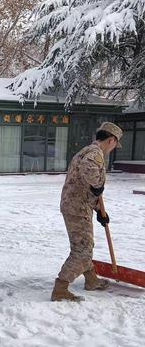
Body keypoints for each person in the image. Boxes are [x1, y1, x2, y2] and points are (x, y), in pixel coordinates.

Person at [51, 122, 123, 301]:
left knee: (84, 246)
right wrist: (98, 185)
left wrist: (100, 210)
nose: (114, 148)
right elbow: (89, 172)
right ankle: (60, 288)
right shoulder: (95, 153)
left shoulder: (88, 150)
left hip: (77, 205)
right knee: (82, 250)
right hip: (78, 208)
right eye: (115, 144)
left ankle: (91, 280)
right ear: (111, 139)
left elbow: (86, 186)